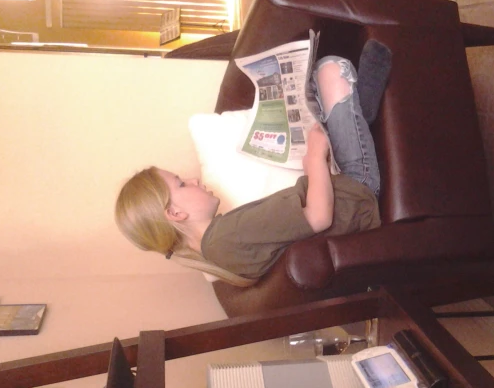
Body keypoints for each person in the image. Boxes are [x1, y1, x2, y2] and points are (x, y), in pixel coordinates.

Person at [115, 41, 391, 286]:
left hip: (344, 195)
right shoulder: (225, 238)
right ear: (174, 213)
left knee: (319, 88)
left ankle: (359, 116)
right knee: (331, 69)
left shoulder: (221, 250)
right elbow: (318, 217)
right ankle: (363, 111)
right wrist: (314, 158)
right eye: (180, 183)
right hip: (356, 191)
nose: (193, 180)